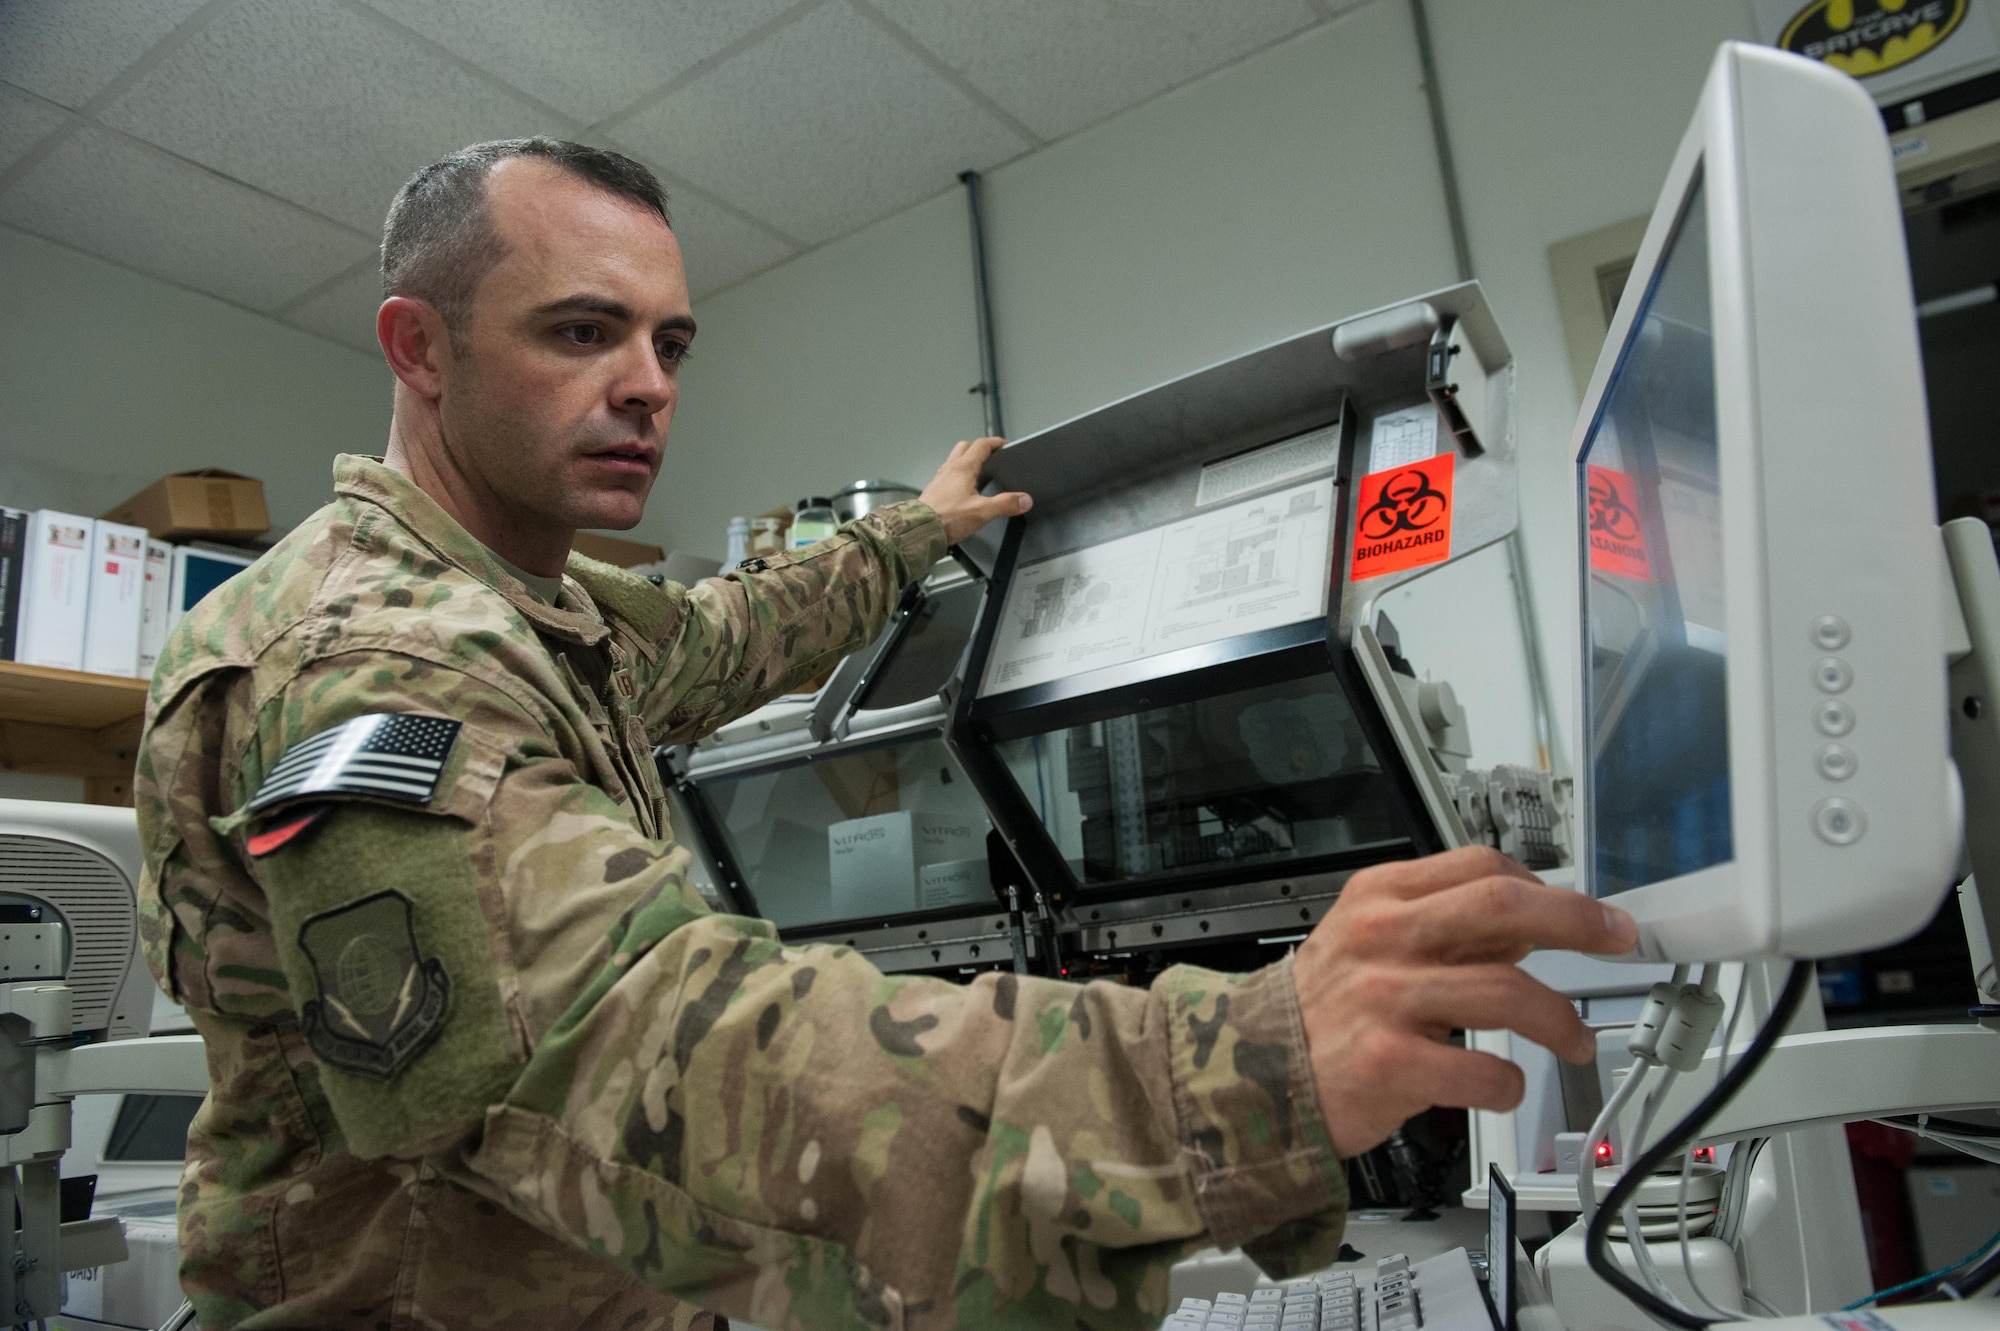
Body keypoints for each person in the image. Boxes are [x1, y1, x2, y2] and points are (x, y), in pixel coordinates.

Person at [136, 137, 1634, 1330]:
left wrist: (912, 536)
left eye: (670, 341)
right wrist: (1235, 1062)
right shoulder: (370, 655)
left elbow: (721, 643)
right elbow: (636, 1038)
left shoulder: (531, 615)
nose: (648, 384)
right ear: (421, 347)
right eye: (583, 332)